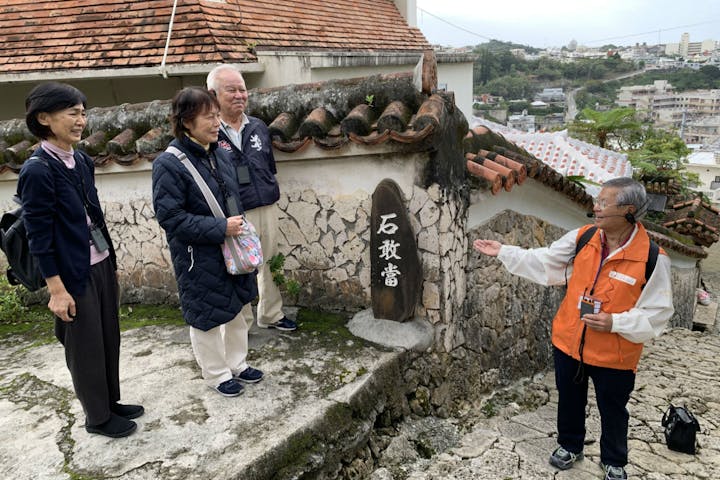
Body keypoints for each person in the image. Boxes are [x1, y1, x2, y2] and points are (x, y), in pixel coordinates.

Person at [473, 177, 674, 480]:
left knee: (614, 409)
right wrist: (504, 251)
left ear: (628, 210)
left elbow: (657, 314)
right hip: (569, 341)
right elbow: (545, 261)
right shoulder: (584, 237)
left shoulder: (653, 258)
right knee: (569, 400)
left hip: (615, 354)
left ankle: (614, 460)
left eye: (604, 203)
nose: (596, 207)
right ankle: (570, 445)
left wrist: (615, 322)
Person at [19, 82, 143, 438]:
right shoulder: (38, 170)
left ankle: (110, 402)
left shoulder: (82, 160)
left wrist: (110, 260)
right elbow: (38, 238)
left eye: (83, 113)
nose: (81, 121)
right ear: (44, 118)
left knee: (108, 337)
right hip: (72, 273)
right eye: (72, 113)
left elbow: (93, 217)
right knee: (85, 346)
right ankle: (97, 417)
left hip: (99, 261)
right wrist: (56, 291)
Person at [152, 87, 263, 397]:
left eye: (217, 115)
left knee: (238, 307)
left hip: (231, 246)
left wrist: (235, 226)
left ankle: (237, 363)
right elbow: (170, 218)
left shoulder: (221, 153)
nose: (217, 122)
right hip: (197, 255)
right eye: (208, 117)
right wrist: (219, 227)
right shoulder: (168, 164)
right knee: (207, 318)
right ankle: (216, 374)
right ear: (186, 122)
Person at [206, 65, 297, 332]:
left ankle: (271, 314)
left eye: (242, 89)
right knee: (238, 266)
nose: (239, 95)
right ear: (213, 95)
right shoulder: (210, 132)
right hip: (233, 213)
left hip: (265, 204)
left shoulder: (257, 126)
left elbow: (268, 164)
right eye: (231, 90)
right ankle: (241, 324)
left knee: (270, 262)